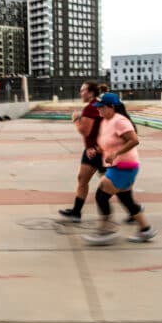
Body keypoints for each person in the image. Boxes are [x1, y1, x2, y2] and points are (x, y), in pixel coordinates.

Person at [82, 92, 158, 245]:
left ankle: (106, 231)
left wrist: (116, 153)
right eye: (98, 107)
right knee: (126, 200)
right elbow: (108, 142)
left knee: (101, 196)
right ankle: (145, 230)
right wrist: (96, 149)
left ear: (112, 107)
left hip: (125, 166)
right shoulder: (106, 121)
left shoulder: (121, 121)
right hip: (116, 166)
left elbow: (134, 140)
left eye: (102, 107)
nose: (99, 110)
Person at [58, 80, 104, 223]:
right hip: (97, 149)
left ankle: (134, 209)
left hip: (95, 151)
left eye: (83, 90)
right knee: (83, 179)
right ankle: (76, 212)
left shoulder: (91, 108)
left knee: (111, 184)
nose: (80, 92)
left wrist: (76, 119)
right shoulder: (97, 105)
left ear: (90, 93)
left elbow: (84, 130)